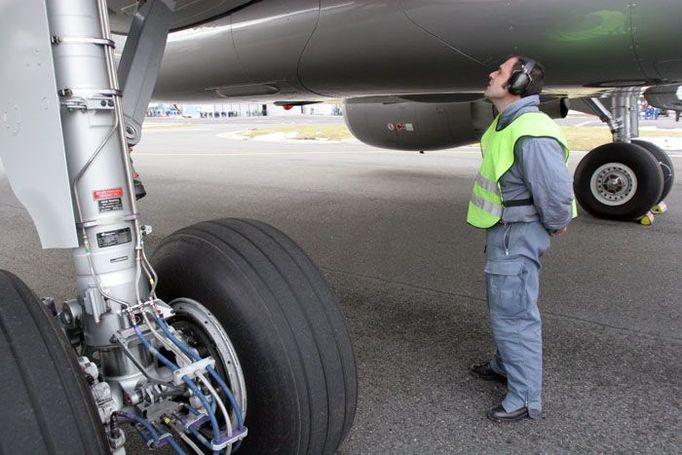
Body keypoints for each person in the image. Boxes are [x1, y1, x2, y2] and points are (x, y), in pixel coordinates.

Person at [467, 56, 576, 423]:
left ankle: (525, 397)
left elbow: (556, 191)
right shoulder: (508, 124)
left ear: (517, 83)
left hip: (518, 234)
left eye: (499, 72)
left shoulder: (531, 129)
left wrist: (557, 221)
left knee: (514, 314)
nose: (491, 74)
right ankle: (504, 366)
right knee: (504, 306)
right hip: (505, 230)